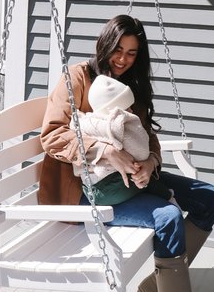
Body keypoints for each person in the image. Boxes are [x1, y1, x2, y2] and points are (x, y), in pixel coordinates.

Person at [39, 14, 214, 292]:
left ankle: (159, 287)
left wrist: (151, 163)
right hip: (87, 191)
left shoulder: (131, 84)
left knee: (209, 197)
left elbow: (148, 135)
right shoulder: (78, 77)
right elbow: (52, 135)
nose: (123, 58)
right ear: (105, 43)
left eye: (132, 53)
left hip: (131, 180)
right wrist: (104, 150)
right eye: (119, 49)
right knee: (168, 217)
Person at [70, 73, 175, 205]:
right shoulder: (117, 126)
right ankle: (169, 198)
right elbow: (140, 151)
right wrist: (143, 163)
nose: (131, 111)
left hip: (91, 188)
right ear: (114, 112)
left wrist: (152, 162)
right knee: (149, 184)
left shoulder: (86, 121)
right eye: (127, 108)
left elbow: (150, 137)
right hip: (109, 189)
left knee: (205, 195)